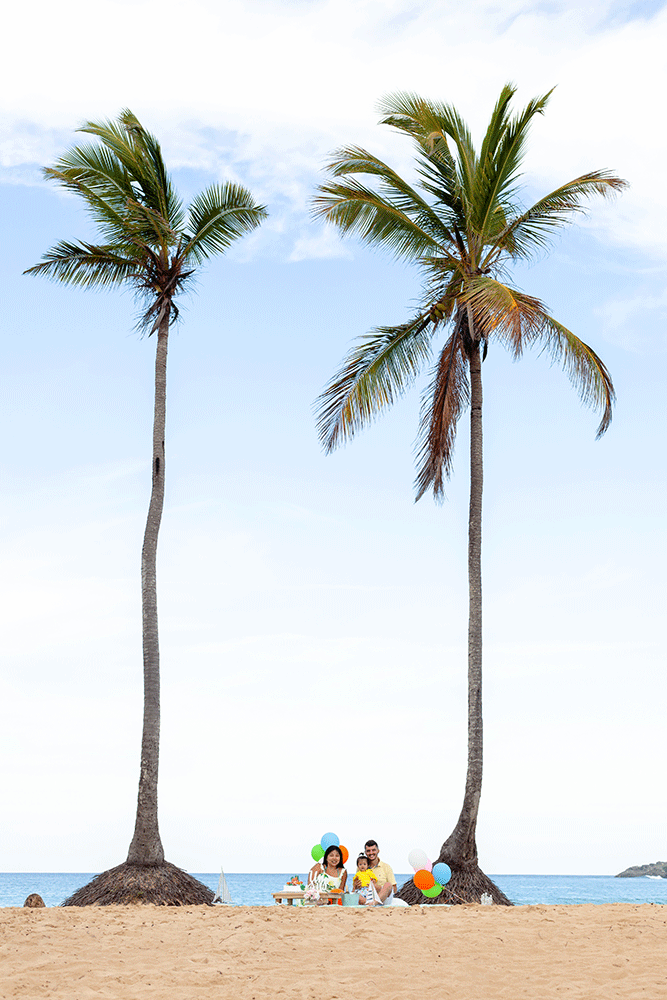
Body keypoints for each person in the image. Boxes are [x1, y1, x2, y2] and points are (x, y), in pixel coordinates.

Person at [364, 839, 397, 904]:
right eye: (368, 851)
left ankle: (375, 903)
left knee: (388, 884)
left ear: (378, 851)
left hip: (383, 899)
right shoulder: (361, 867)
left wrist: (378, 888)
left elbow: (394, 889)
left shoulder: (386, 867)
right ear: (365, 853)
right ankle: (370, 903)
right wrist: (356, 885)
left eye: (373, 850)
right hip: (368, 897)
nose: (371, 853)